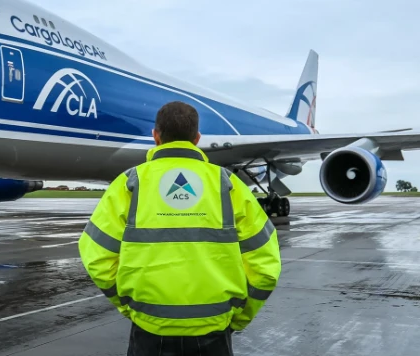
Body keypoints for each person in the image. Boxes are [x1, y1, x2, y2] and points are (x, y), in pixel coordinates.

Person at [78, 101, 281, 356]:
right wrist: (237, 319)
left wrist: (130, 307)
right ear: (196, 138)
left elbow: (97, 257)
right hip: (213, 330)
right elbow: (266, 267)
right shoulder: (228, 185)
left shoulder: (129, 183)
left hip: (148, 329)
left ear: (156, 136)